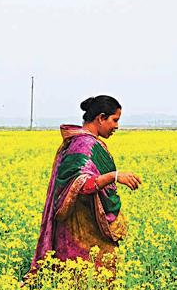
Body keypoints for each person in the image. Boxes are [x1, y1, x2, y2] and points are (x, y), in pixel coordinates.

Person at [27, 95, 141, 280]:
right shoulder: (83, 145)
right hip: (79, 228)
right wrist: (115, 176)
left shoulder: (89, 142)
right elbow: (81, 185)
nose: (117, 126)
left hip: (89, 225)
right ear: (101, 118)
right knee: (83, 281)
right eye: (114, 120)